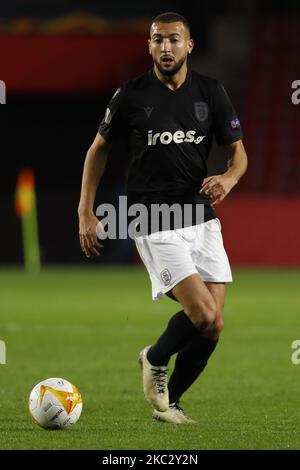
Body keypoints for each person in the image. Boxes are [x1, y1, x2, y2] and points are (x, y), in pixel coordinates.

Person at [78, 11, 248, 424]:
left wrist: (228, 177)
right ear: (149, 46)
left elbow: (238, 154)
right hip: (153, 217)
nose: (165, 47)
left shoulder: (211, 92)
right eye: (157, 40)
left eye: (173, 39)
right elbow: (97, 150)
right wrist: (86, 209)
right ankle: (154, 358)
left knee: (214, 325)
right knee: (202, 314)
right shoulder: (131, 95)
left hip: (201, 216)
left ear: (189, 45)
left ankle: (170, 403)